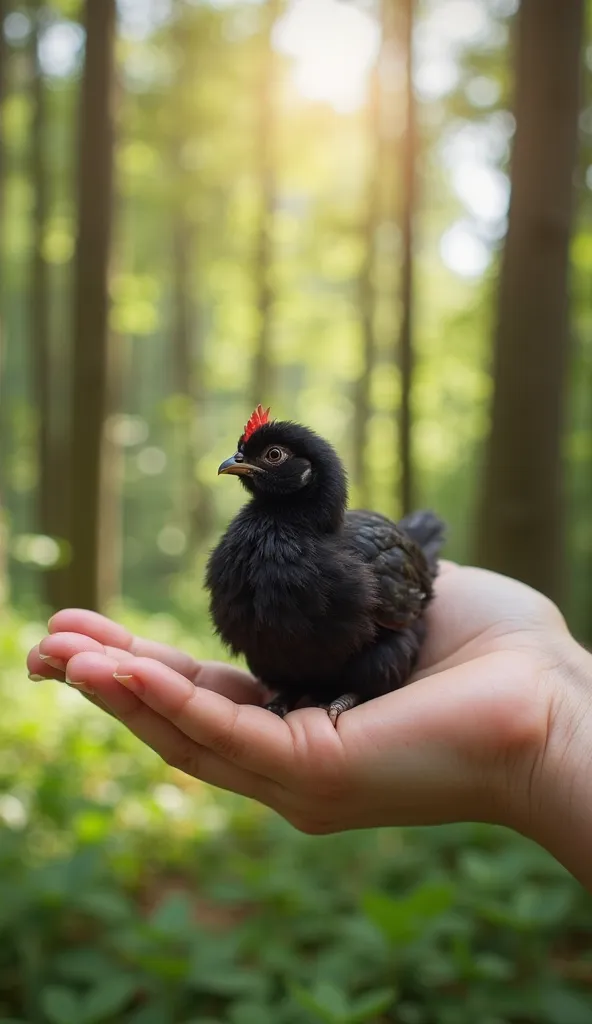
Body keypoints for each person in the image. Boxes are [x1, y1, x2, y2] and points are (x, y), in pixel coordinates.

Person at [27, 562, 592, 890]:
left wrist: (553, 720)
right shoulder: (241, 557)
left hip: (370, 666)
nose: (241, 462)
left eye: (268, 454)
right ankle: (296, 694)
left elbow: (410, 604)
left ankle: (340, 695)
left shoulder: (355, 561)